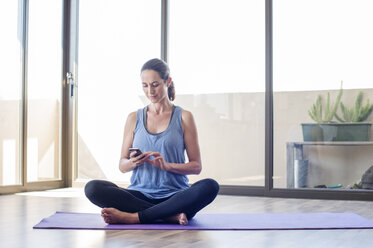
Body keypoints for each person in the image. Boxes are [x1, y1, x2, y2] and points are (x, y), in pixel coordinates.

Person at [84, 58, 219, 225]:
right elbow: (122, 165)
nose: (150, 91)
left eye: (155, 85)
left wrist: (167, 166)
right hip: (139, 194)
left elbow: (196, 166)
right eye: (145, 86)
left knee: (210, 186)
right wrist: (132, 162)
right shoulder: (134, 118)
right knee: (92, 188)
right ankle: (168, 216)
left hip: (175, 197)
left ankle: (134, 217)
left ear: (168, 82)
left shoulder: (184, 117)